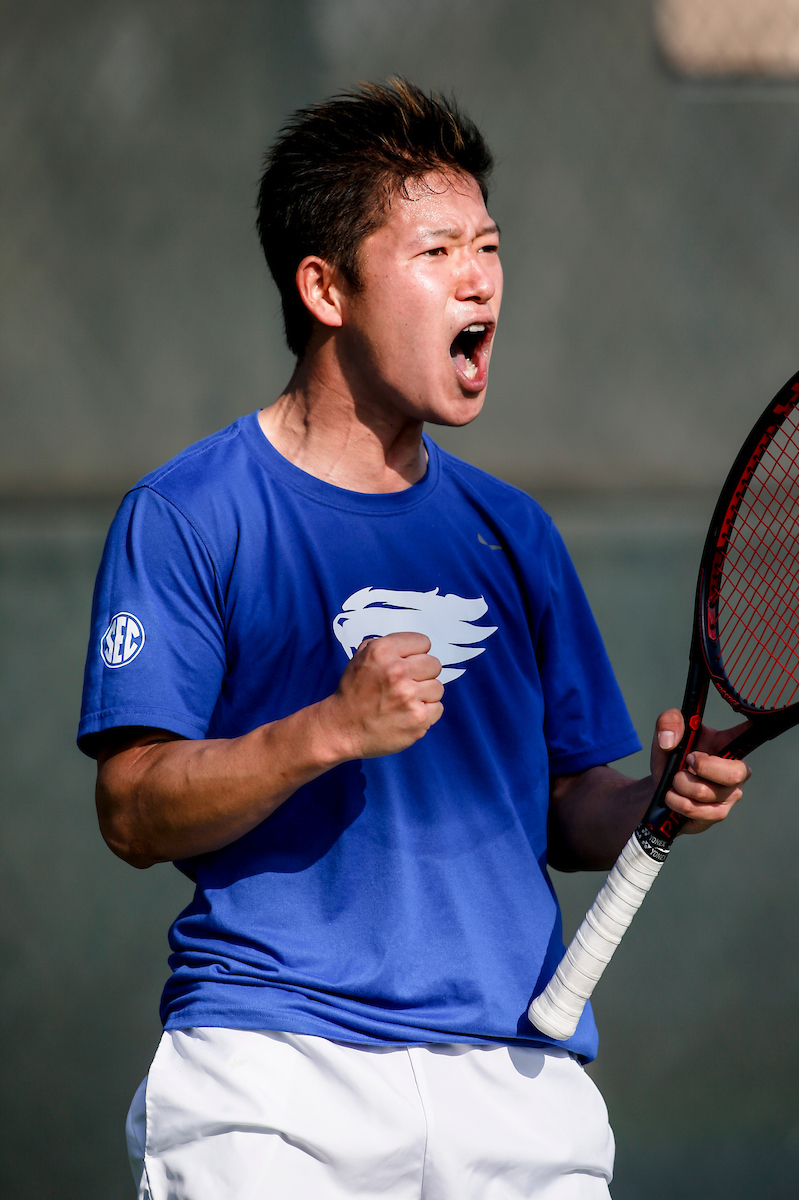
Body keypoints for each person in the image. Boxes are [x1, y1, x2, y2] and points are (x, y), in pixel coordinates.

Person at [78, 80, 750, 1200]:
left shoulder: (512, 533)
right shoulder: (188, 514)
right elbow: (132, 809)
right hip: (271, 1079)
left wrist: (655, 797)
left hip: (519, 1083)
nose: (481, 276)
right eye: (438, 249)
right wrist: (328, 730)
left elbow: (566, 809)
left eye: (487, 245)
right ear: (325, 287)